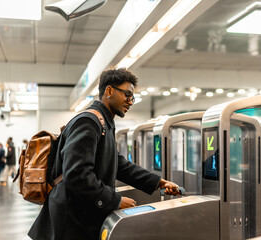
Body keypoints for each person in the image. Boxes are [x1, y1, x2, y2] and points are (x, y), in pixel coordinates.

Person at [28, 68, 181, 240]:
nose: (131, 101)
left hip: (80, 214)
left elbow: (120, 164)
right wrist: (114, 200)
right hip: (70, 220)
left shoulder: (103, 123)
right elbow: (77, 174)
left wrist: (158, 182)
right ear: (109, 91)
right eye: (127, 94)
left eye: (133, 97)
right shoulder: (89, 122)